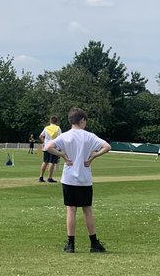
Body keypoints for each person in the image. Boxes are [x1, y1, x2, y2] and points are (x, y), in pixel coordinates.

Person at [43, 107, 110, 253]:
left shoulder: (65, 136)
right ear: (82, 120)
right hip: (84, 178)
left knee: (71, 209)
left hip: (69, 178)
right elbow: (107, 146)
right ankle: (94, 243)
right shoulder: (89, 136)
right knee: (87, 210)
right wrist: (93, 156)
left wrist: (62, 155)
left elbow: (48, 146)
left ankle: (70, 244)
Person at [39, 116, 62, 183]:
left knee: (45, 161)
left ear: (50, 121)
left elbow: (41, 136)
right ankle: (49, 178)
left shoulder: (46, 128)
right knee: (52, 162)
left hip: (46, 147)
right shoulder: (58, 128)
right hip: (54, 147)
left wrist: (44, 142)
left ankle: (41, 177)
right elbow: (60, 138)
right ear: (56, 122)